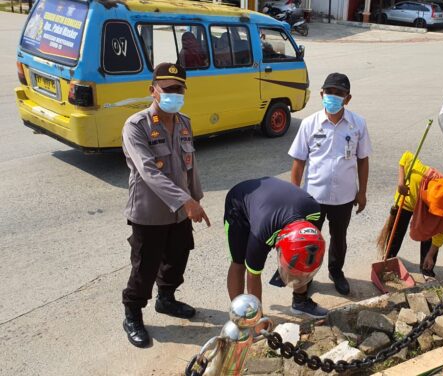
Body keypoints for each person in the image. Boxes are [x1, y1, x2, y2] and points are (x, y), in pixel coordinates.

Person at [121, 62, 210, 348]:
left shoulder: (184, 122)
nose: (174, 94)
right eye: (168, 89)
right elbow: (148, 171)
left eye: (179, 89)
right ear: (153, 91)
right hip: (149, 212)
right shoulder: (136, 126)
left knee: (177, 256)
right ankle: (132, 314)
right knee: (144, 267)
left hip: (181, 212)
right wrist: (187, 202)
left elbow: (189, 165)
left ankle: (166, 299)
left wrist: (196, 198)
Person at [289, 72, 372, 296]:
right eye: (329, 92)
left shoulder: (357, 124)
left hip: (344, 197)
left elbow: (363, 160)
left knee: (339, 238)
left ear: (348, 98)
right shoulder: (309, 124)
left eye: (339, 93)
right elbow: (298, 162)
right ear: (321, 94)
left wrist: (362, 192)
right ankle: (306, 277)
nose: (333, 97)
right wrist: (295, 196)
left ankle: (336, 272)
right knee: (308, 240)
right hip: (312, 197)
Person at [224, 177, 328, 318]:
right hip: (239, 202)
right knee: (239, 262)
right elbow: (253, 274)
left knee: (302, 257)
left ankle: (300, 302)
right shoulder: (262, 235)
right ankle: (242, 315)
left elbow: (306, 248)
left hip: (270, 203)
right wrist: (258, 321)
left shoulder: (314, 210)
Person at [383, 151, 443, 277]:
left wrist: (430, 255)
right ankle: (388, 261)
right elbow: (405, 156)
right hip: (406, 199)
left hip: (426, 205)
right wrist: (401, 182)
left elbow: (441, 234)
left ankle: (426, 268)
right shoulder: (418, 175)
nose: (436, 217)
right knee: (396, 233)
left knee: (431, 230)